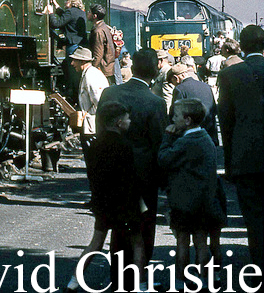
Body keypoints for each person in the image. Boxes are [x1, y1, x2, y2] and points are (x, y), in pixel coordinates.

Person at [98, 48, 168, 264]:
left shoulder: (109, 93)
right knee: (144, 229)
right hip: (143, 176)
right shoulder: (156, 103)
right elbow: (158, 144)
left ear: (132, 66)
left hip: (110, 173)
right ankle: (140, 277)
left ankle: (117, 276)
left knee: (116, 229)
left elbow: (101, 134)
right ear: (155, 69)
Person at [66, 101, 144, 292]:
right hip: (124, 202)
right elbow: (130, 178)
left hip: (102, 200)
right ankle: (139, 284)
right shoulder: (124, 146)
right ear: (119, 122)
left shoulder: (95, 144)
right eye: (127, 118)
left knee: (96, 243)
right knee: (138, 242)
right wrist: (139, 204)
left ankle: (74, 281)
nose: (130, 121)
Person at [158, 98, 225, 278]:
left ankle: (180, 279)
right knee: (201, 241)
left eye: (176, 116)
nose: (173, 119)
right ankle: (204, 278)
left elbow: (164, 159)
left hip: (184, 202)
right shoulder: (206, 139)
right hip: (204, 200)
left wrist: (167, 136)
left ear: (187, 120)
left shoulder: (185, 142)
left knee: (182, 241)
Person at [217, 24, 264, 271]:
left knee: (254, 220)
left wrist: (229, 163)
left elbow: (225, 123)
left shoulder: (229, 76)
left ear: (242, 47)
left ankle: (258, 267)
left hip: (246, 159)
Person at [47, 0, 88, 101]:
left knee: (70, 72)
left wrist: (51, 13)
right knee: (75, 73)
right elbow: (66, 16)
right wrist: (56, 5)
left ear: (72, 2)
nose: (65, 2)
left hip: (72, 46)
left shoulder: (71, 12)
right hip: (80, 45)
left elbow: (57, 23)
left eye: (67, 1)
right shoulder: (80, 13)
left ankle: (72, 96)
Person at [73, 47, 108, 160]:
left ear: (83, 61)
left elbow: (99, 101)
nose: (72, 63)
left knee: (93, 158)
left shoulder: (91, 76)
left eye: (75, 60)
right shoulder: (88, 73)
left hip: (93, 127)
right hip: (91, 125)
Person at [88, 4, 117, 86]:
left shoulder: (98, 31)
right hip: (108, 68)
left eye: (89, 12)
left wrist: (92, 69)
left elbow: (98, 53)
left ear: (94, 16)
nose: (87, 13)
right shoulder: (104, 27)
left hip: (102, 69)